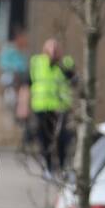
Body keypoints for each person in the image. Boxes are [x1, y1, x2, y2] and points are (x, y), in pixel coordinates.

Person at [29, 38, 75, 173]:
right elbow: (28, 83)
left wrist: (60, 64)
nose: (53, 52)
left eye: (56, 49)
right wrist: (23, 106)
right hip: (41, 107)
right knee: (44, 139)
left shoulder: (65, 63)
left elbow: (73, 79)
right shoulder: (37, 62)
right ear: (44, 50)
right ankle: (48, 168)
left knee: (62, 139)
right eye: (50, 48)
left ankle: (61, 166)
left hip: (60, 108)